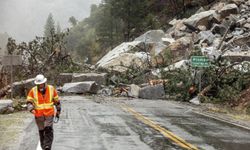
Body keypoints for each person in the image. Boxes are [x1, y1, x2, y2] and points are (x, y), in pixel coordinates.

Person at [26, 74, 61, 150]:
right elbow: (29, 101)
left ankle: (47, 146)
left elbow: (57, 101)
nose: (40, 85)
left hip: (49, 114)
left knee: (48, 129)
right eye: (39, 84)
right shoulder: (33, 90)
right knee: (41, 132)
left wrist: (58, 111)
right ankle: (43, 146)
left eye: (41, 84)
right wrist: (31, 109)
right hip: (39, 115)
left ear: (45, 82)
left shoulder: (51, 89)